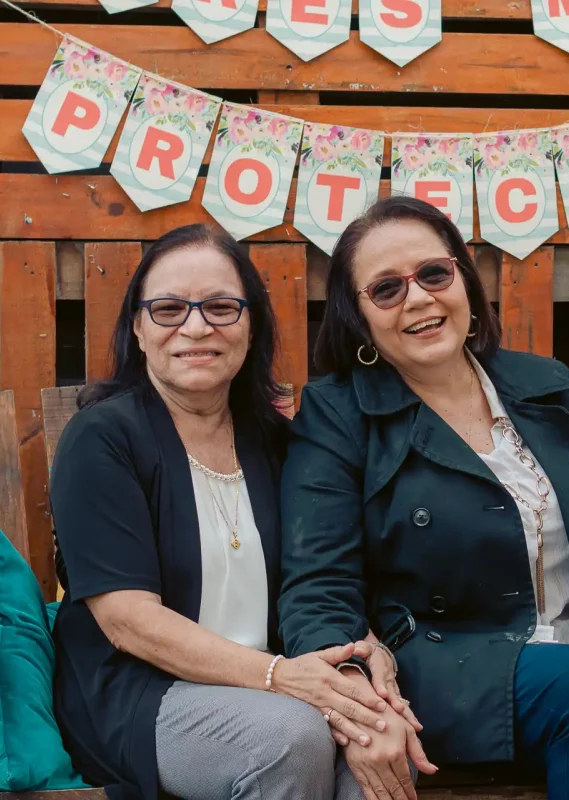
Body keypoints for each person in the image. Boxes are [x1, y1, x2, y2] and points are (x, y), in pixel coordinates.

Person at [278, 197, 569, 800]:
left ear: (464, 283)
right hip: (443, 665)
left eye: (433, 274)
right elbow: (316, 581)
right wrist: (349, 686)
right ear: (358, 319)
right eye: (386, 290)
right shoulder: (336, 413)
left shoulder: (546, 385)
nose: (419, 299)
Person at [49, 223, 421, 800]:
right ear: (138, 329)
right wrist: (280, 678)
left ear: (251, 326)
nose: (196, 327)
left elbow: (320, 572)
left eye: (221, 307)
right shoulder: (102, 439)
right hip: (144, 694)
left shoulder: (279, 442)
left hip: (282, 680)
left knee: (376, 743)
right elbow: (127, 621)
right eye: (169, 308)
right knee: (289, 737)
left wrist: (361, 656)